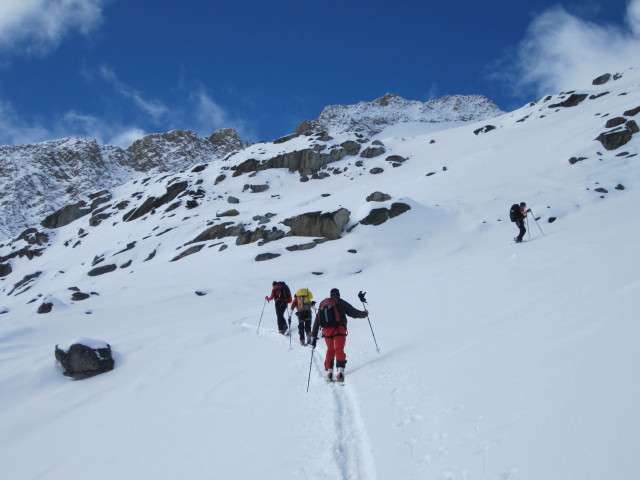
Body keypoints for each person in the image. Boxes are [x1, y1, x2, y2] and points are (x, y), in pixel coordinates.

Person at [310, 288, 368, 384]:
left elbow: (317, 321)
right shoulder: (340, 302)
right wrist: (364, 314)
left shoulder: (323, 304)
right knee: (339, 349)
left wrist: (313, 336)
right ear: (338, 294)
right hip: (339, 329)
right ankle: (340, 372)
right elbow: (353, 312)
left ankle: (329, 372)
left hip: (327, 330)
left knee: (330, 349)